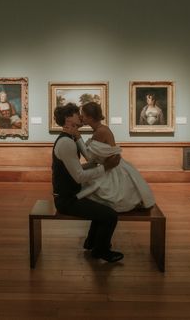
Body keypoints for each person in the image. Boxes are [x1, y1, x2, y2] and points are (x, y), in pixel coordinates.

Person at [52, 102, 124, 263]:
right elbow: (79, 176)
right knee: (110, 215)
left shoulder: (70, 139)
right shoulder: (66, 143)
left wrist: (78, 138)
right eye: (77, 114)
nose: (81, 116)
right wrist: (106, 167)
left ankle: (91, 243)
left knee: (104, 207)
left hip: (71, 194)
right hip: (66, 199)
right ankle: (101, 251)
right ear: (68, 118)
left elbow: (88, 161)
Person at [71, 101, 155, 213]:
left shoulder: (100, 132)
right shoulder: (100, 129)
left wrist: (77, 136)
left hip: (113, 168)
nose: (81, 117)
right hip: (112, 165)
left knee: (101, 193)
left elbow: (89, 157)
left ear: (90, 117)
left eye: (83, 115)